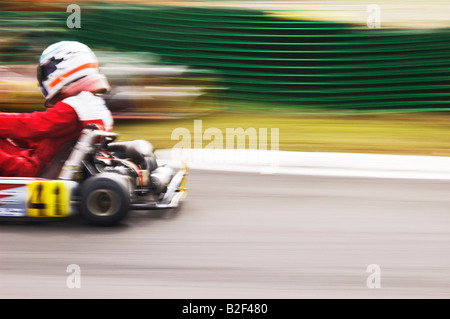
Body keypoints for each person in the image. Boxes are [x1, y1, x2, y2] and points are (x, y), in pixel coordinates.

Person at [0, 41, 113, 177]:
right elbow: (46, 138)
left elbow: (33, 126)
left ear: (64, 67)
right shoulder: (91, 103)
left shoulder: (73, 108)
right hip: (48, 162)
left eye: (48, 70)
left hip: (34, 169)